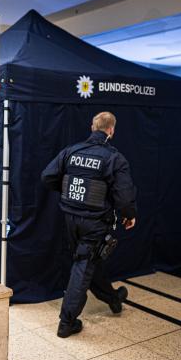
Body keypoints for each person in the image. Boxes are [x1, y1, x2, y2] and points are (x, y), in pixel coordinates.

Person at [41, 112, 137, 338]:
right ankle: (67, 322)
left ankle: (113, 299)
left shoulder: (71, 151)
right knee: (84, 265)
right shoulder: (114, 158)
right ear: (111, 130)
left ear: (92, 126)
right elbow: (124, 197)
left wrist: (69, 193)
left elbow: (47, 177)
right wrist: (129, 215)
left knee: (89, 261)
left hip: (70, 219)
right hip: (95, 222)